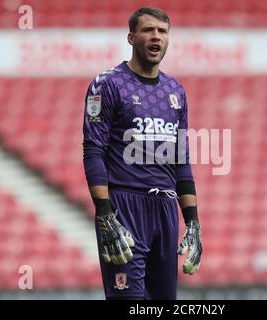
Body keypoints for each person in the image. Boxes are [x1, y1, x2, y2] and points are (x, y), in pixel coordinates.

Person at [82, 7, 202, 300]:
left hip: (165, 209)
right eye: (149, 30)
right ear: (131, 36)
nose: (156, 37)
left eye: (162, 31)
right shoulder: (108, 85)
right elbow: (93, 150)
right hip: (125, 208)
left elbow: (180, 160)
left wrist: (193, 221)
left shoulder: (176, 91)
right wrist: (106, 214)